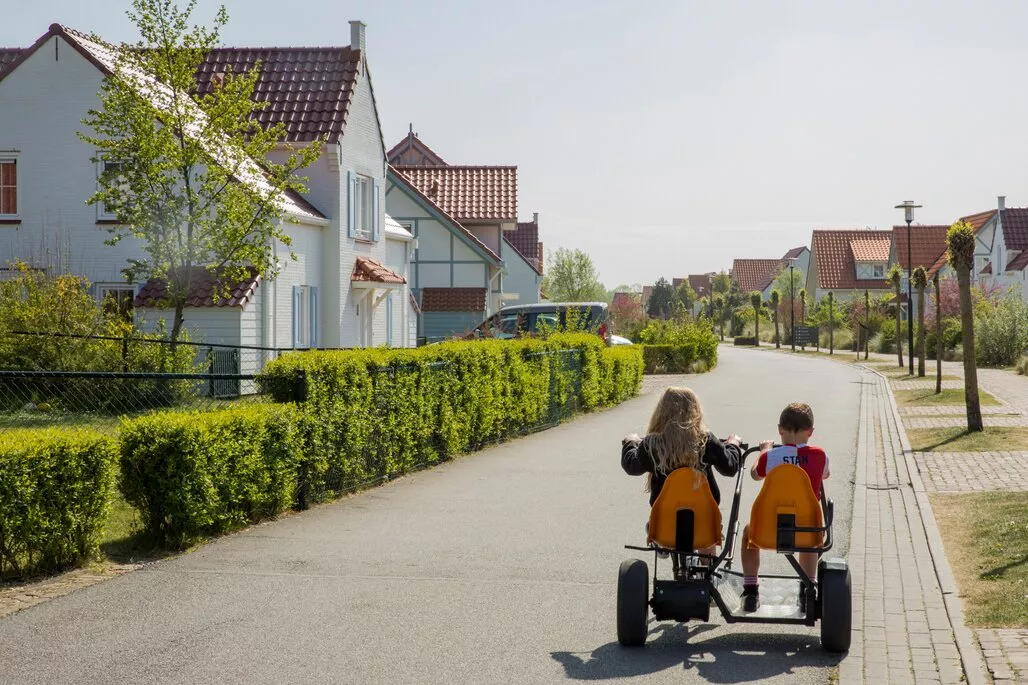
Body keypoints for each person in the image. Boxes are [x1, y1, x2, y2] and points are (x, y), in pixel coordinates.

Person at [621, 387, 742, 554]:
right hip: (704, 519)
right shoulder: (705, 440)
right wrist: (733, 445)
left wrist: (631, 442)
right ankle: (707, 569)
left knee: (662, 521)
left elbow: (631, 466)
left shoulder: (653, 444)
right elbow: (730, 467)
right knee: (707, 525)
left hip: (665, 520)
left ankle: (662, 542)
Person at [739, 402, 829, 612]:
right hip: (807, 531)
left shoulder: (770, 457)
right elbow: (826, 474)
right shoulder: (820, 455)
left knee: (747, 533)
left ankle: (751, 590)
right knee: (811, 540)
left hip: (767, 532)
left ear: (780, 429)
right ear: (811, 432)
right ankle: (807, 588)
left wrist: (764, 451)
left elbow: (755, 474)